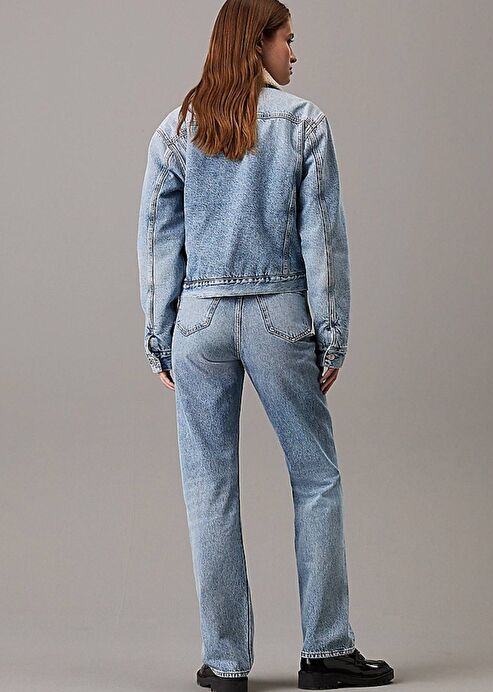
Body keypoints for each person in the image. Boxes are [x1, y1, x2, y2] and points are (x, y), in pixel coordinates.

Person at [137, 1, 394, 690]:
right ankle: (326, 651)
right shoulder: (304, 121)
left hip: (199, 321)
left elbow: (159, 240)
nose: (293, 52)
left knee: (208, 487)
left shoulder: (177, 126)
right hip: (280, 313)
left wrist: (160, 337)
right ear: (258, 44)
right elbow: (322, 240)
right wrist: (330, 335)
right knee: (315, 478)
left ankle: (225, 667)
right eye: (287, 38)